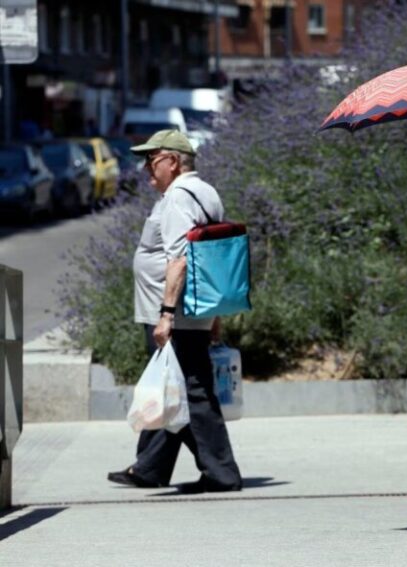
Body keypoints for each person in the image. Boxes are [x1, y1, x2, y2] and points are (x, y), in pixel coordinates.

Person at [107, 129, 242, 493]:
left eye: (152, 160)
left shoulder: (178, 198)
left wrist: (166, 313)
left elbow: (180, 259)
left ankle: (221, 473)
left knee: (188, 392)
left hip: (174, 313)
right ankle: (150, 467)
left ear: (173, 161)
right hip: (192, 311)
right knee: (173, 387)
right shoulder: (204, 192)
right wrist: (213, 317)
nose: (147, 168)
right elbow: (212, 257)